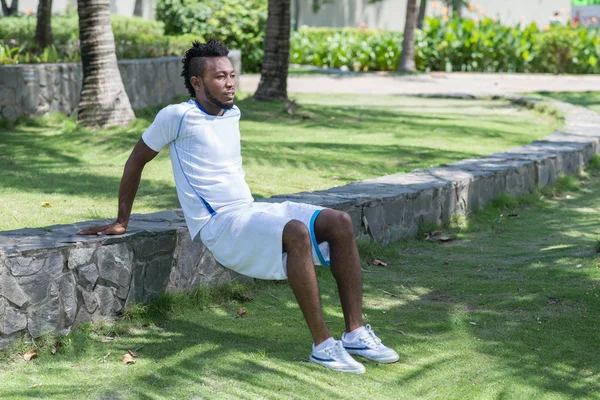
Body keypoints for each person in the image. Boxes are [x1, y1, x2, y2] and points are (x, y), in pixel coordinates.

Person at [77, 39, 399, 374]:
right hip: (218, 225)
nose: (230, 83)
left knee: (340, 222)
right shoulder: (177, 116)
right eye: (220, 77)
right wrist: (121, 220)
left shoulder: (233, 112)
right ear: (197, 82)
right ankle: (322, 345)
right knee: (296, 232)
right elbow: (136, 160)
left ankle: (356, 333)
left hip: (247, 211)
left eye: (232, 75)